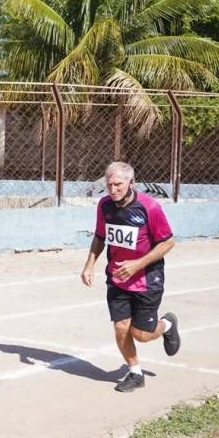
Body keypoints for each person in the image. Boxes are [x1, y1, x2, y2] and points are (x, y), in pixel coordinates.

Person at [80, 161, 181, 392]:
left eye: (118, 184)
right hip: (117, 278)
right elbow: (99, 236)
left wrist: (138, 264)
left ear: (131, 183)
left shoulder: (149, 207)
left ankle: (166, 325)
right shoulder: (104, 205)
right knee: (121, 328)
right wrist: (89, 265)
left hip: (147, 279)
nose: (113, 189)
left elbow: (168, 242)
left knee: (142, 334)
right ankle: (135, 372)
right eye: (109, 184)